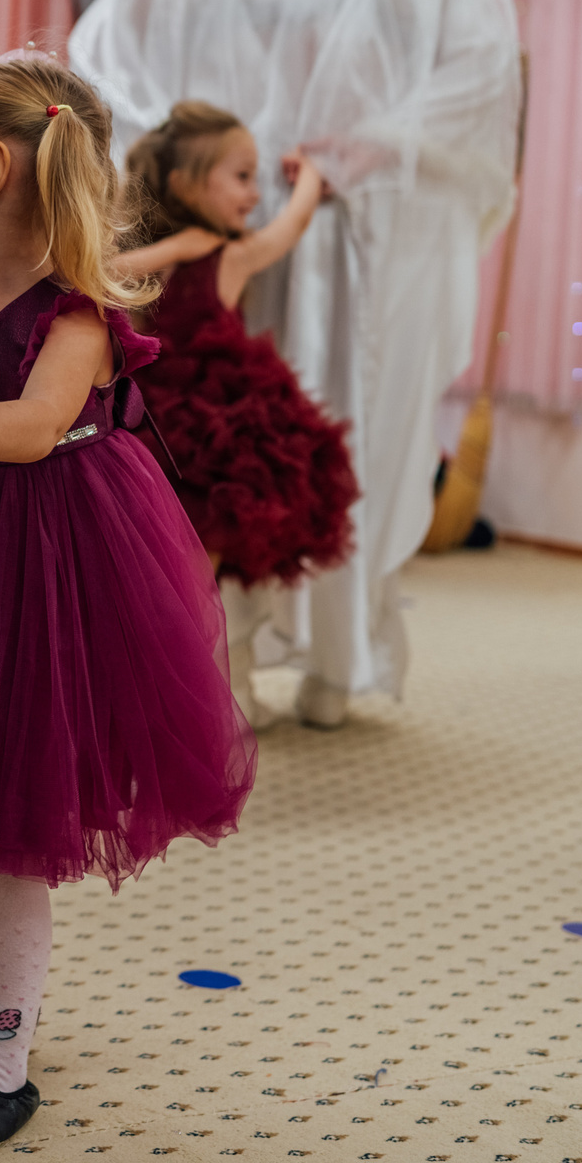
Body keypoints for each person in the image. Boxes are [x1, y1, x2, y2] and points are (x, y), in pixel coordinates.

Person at [0, 60, 254, 1150]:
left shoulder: (71, 310)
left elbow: (31, 427)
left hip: (49, 559)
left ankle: (5, 1061)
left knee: (6, 820)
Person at [68, 0, 520, 728]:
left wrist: (191, 156)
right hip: (353, 230)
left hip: (226, 225)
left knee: (220, 457)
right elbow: (482, 80)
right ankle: (334, 661)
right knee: (342, 432)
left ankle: (224, 653)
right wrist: (366, 145)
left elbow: (96, 65)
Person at [118, 102, 361, 725]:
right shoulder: (209, 249)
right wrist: (307, 174)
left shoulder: (204, 251)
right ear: (188, 185)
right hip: (191, 419)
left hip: (197, 420)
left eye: (257, 177)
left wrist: (306, 173)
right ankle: (201, 685)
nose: (256, 194)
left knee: (199, 566)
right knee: (191, 568)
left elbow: (288, 229)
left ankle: (208, 685)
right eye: (242, 177)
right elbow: (290, 228)